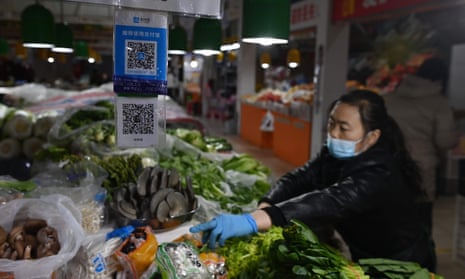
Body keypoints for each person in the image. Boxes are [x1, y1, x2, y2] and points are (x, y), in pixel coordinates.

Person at [190, 90, 436, 271]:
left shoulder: (380, 172)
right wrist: (266, 205)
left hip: (401, 260)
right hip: (365, 252)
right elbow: (301, 178)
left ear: (372, 137)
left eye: (344, 128)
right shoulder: (334, 153)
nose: (334, 134)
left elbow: (329, 201)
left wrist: (254, 221)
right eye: (331, 123)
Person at [384, 57, 459, 236]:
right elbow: (445, 141)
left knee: (389, 222)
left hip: (388, 167)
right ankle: (421, 261)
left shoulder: (389, 99)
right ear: (441, 79)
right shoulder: (438, 103)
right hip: (421, 170)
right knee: (420, 225)